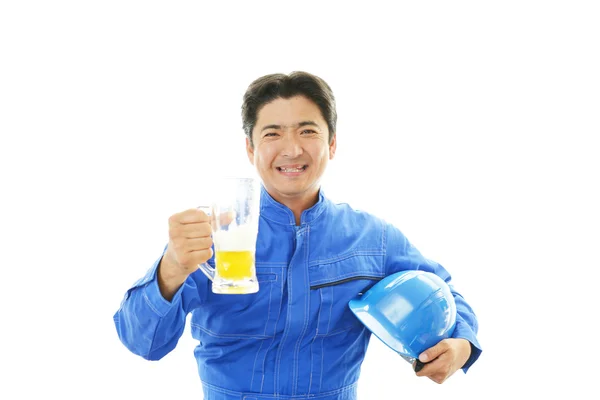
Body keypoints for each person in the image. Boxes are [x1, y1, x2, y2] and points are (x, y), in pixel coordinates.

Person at [113, 71, 482, 400]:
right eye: (273, 134)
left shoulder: (373, 237)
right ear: (250, 148)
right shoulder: (211, 235)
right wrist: (172, 268)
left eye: (308, 131)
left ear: (332, 143)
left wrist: (461, 345)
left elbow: (442, 289)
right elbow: (145, 343)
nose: (292, 149)